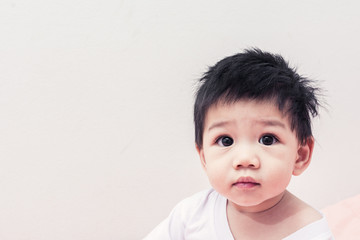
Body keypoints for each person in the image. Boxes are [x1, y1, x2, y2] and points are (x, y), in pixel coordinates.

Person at [144, 48, 334, 239]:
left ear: (300, 156)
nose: (244, 159)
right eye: (225, 141)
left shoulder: (311, 233)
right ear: (204, 158)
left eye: (267, 139)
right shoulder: (191, 216)